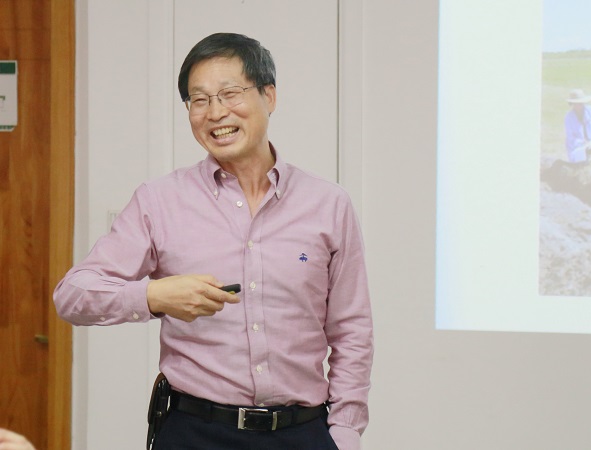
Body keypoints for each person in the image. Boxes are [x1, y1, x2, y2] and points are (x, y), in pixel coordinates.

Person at [53, 32, 373, 450]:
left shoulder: (328, 203)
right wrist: (153, 297)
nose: (216, 112)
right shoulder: (159, 201)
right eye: (199, 99)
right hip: (194, 432)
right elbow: (72, 296)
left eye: (230, 93)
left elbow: (351, 329)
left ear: (269, 96)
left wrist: (344, 433)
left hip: (302, 432)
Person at [564, 88, 591, 163]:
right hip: (579, 147)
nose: (580, 105)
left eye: (581, 103)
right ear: (572, 104)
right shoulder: (568, 117)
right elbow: (570, 138)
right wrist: (583, 143)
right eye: (577, 103)